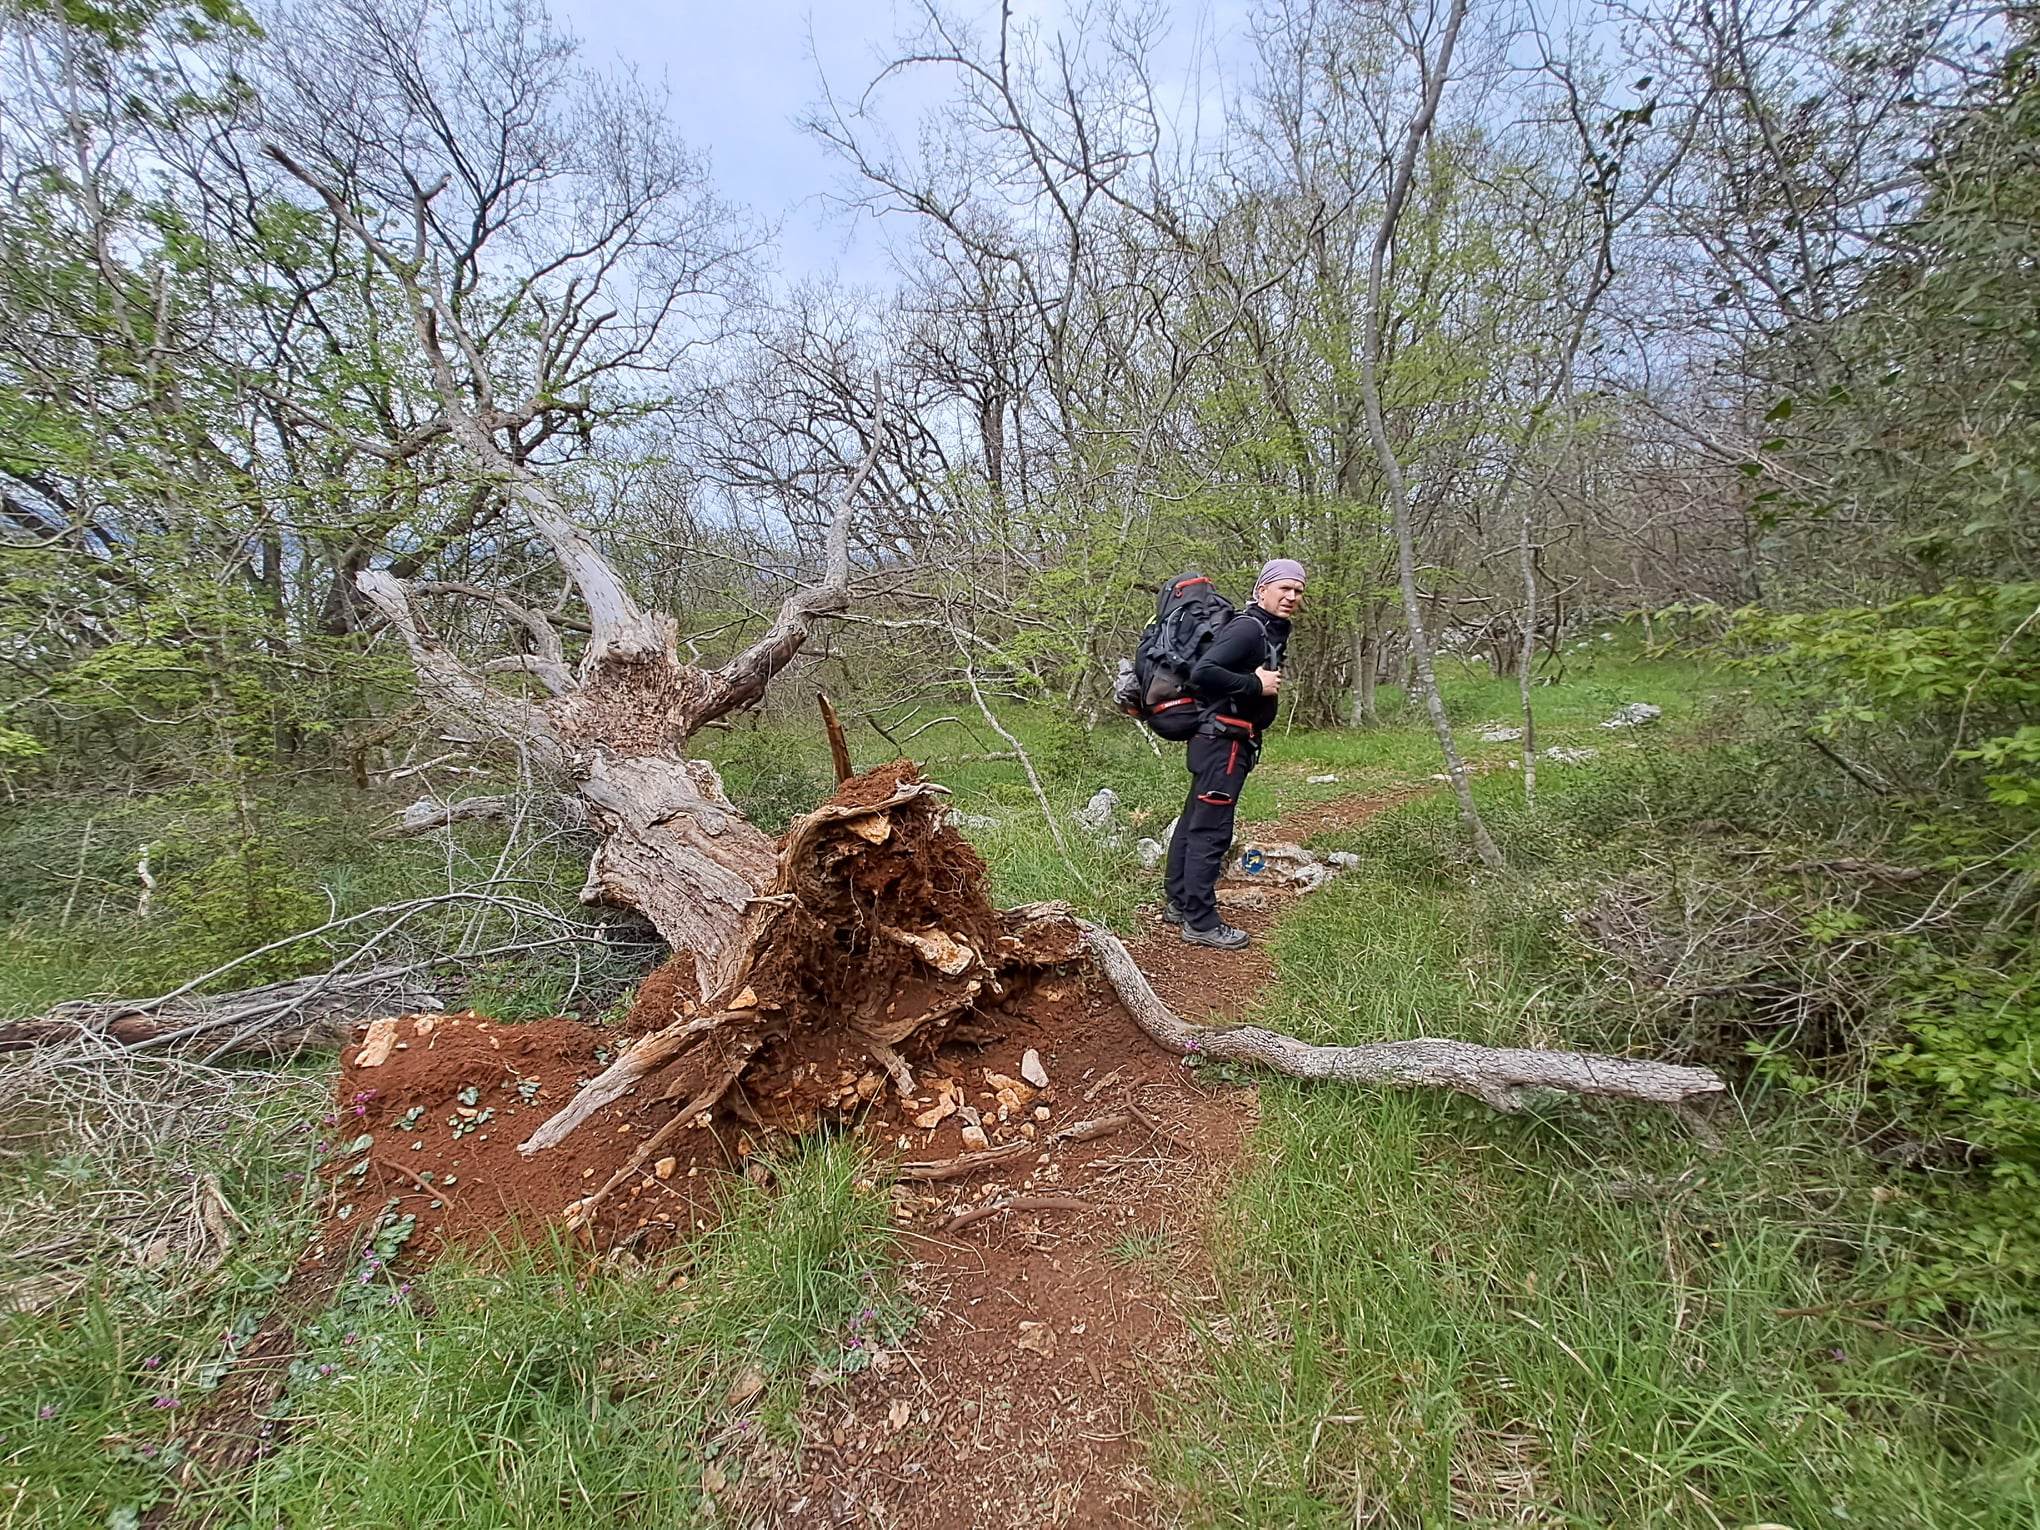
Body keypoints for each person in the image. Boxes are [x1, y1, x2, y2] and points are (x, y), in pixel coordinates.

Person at [1163, 558, 1304, 948]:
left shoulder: (1267, 631)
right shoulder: (1249, 629)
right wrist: (1255, 685)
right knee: (1211, 830)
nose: (1291, 597)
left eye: (1298, 591)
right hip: (1223, 744)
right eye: (1284, 589)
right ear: (1262, 590)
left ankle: (1179, 903)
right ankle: (1202, 921)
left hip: (1220, 742)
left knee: (1195, 821)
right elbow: (1203, 673)